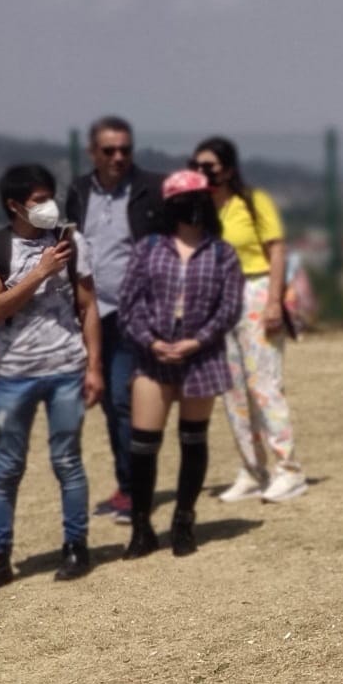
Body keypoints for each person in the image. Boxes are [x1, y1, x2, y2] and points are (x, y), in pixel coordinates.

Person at [0, 164, 104, 591]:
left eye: (50, 197)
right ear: (14, 205)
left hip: (66, 368)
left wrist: (94, 366)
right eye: (38, 200)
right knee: (7, 467)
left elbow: (88, 306)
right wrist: (41, 271)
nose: (49, 207)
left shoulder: (71, 242)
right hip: (16, 373)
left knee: (68, 461)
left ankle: (76, 548)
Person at [118, 170, 244, 558]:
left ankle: (183, 521)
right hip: (152, 358)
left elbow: (229, 308)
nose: (193, 207)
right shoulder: (148, 248)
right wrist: (152, 342)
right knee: (143, 445)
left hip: (201, 357)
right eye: (185, 201)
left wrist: (196, 341)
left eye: (199, 199)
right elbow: (129, 304)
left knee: (193, 440)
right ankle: (141, 526)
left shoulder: (222, 253)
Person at [193, 136, 308, 504]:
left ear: (227, 169)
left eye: (209, 166)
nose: (202, 173)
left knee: (264, 384)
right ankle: (253, 468)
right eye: (196, 166)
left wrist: (274, 301)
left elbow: (277, 250)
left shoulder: (253, 202)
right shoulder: (200, 208)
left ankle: (289, 469)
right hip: (218, 298)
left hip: (256, 291)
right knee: (233, 391)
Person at [65, 116, 163, 523]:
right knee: (107, 401)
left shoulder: (150, 188)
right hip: (91, 312)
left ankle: (136, 490)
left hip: (132, 312)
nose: (118, 157)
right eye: (109, 150)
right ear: (93, 152)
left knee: (123, 400)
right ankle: (126, 485)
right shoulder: (78, 191)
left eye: (125, 149)